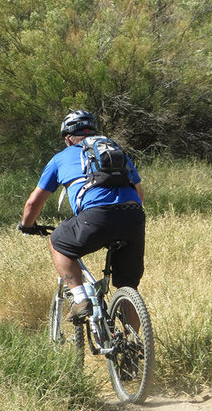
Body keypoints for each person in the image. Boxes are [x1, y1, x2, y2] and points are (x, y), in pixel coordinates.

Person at [18, 109, 145, 320]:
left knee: (58, 241)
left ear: (68, 139)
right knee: (128, 285)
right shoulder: (116, 151)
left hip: (96, 217)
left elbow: (33, 202)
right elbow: (139, 194)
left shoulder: (61, 158)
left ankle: (79, 298)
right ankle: (134, 345)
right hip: (134, 216)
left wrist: (26, 225)